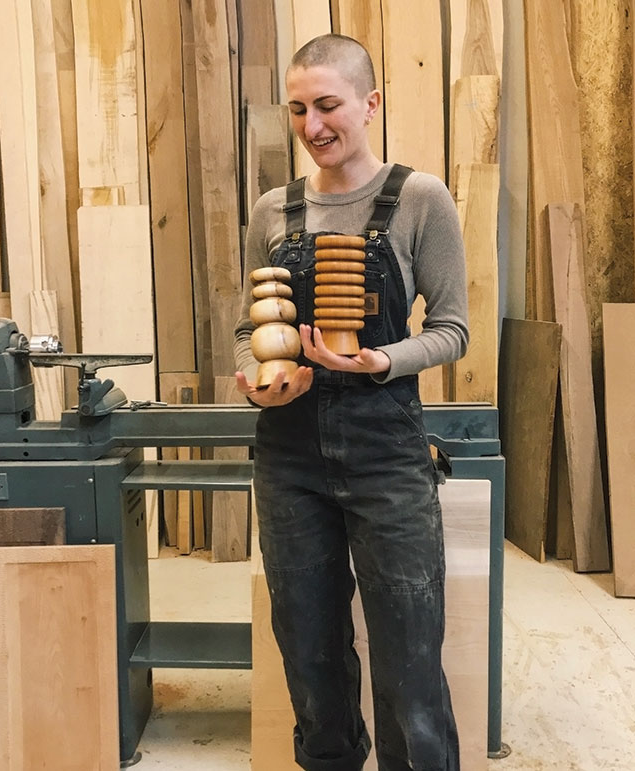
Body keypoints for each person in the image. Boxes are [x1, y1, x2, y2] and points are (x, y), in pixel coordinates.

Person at [234, 33, 468, 771]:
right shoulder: (275, 210)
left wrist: (380, 360)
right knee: (310, 654)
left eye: (328, 105)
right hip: (290, 454)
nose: (313, 126)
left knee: (410, 661)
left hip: (386, 453)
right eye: (299, 109)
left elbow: (454, 329)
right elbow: (253, 326)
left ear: (370, 104)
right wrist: (257, 377)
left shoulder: (419, 199)